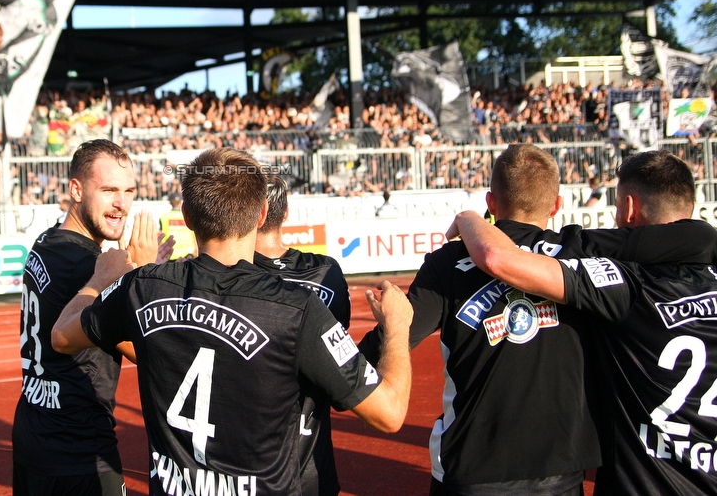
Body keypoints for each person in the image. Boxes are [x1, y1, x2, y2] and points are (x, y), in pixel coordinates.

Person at [50, 147, 413, 496]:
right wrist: (396, 327)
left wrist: (102, 280)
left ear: (187, 217)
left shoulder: (142, 287)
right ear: (260, 215)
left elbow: (61, 337)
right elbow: (389, 413)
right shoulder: (298, 309)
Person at [357, 143, 714, 496]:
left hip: (471, 469)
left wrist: (373, 337)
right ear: (557, 206)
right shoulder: (582, 249)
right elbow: (690, 236)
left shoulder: (448, 261)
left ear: (491, 202)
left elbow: (390, 343)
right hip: (562, 471)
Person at [12, 139, 173, 496]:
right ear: (76, 190)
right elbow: (145, 348)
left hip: (34, 431)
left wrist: (128, 267)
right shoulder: (87, 266)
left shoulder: (48, 241)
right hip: (77, 447)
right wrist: (142, 277)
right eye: (109, 190)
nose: (122, 204)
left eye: (129, 190)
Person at [253, 174, 350, 496]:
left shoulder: (227, 276)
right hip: (312, 460)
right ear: (285, 212)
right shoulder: (327, 271)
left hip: (247, 462)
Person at [159, 190, 196, 259]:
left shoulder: (164, 217)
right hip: (188, 253)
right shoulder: (187, 216)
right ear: (180, 203)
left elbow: (160, 234)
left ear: (170, 202)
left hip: (170, 253)